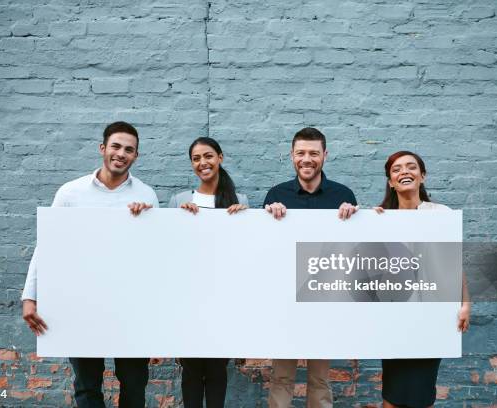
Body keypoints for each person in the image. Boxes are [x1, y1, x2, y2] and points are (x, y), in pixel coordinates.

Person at [22, 121, 159, 408]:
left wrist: (146, 221)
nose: (121, 153)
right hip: (81, 303)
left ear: (136, 156)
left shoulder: (146, 196)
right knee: (86, 387)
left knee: (134, 385)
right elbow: (47, 246)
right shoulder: (71, 193)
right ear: (103, 148)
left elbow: (154, 259)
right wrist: (30, 297)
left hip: (130, 307)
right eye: (116, 146)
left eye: (129, 150)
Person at [263, 127, 358, 408]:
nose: (307, 159)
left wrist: (355, 216)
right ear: (292, 156)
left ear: (324, 156)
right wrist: (268, 216)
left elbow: (354, 250)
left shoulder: (343, 195)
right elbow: (263, 249)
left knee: (320, 378)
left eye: (314, 153)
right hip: (286, 298)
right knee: (281, 377)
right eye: (301, 153)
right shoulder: (276, 194)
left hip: (325, 298)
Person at [374, 150, 471, 408]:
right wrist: (368, 224)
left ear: (422, 176)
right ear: (390, 182)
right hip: (394, 316)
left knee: (422, 392)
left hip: (432, 312)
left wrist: (465, 303)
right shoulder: (379, 218)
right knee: (392, 393)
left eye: (411, 167)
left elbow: (454, 263)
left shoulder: (441, 215)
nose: (404, 172)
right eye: (397, 170)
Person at [165, 136, 247, 408]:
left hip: (224, 300)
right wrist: (179, 219)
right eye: (196, 158)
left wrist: (243, 219)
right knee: (190, 372)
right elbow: (168, 251)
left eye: (208, 156)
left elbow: (246, 253)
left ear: (220, 158)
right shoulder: (179, 200)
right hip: (187, 300)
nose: (203, 162)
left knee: (216, 371)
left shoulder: (240, 200)